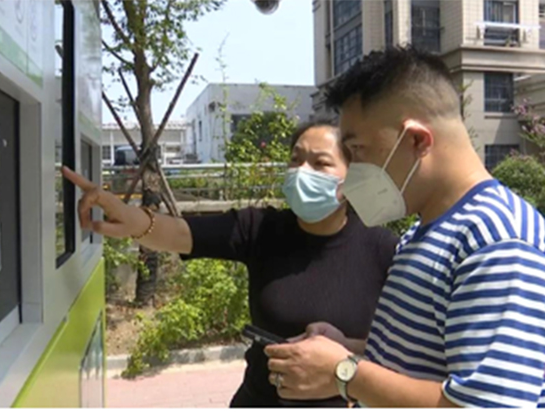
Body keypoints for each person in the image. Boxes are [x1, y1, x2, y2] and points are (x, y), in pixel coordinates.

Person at [264, 46, 545, 408]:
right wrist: (347, 350)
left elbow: (486, 405)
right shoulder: (424, 231)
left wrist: (344, 374)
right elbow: (428, 359)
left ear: (417, 140)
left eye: (357, 150)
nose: (352, 171)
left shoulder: (498, 242)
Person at [63, 120, 398, 407]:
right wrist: (130, 218)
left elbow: (402, 352)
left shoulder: (383, 249)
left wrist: (345, 362)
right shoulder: (260, 229)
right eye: (295, 160)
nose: (302, 173)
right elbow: (179, 233)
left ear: (352, 178)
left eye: (320, 163)